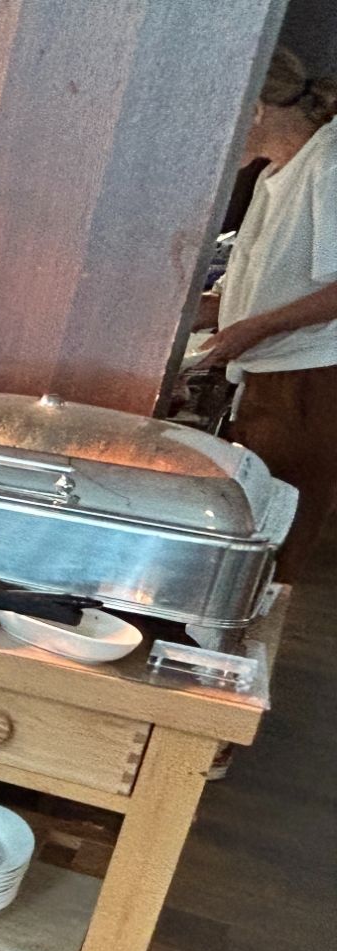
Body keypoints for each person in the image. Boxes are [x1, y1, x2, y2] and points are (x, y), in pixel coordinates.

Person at [201, 47, 337, 580]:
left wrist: (252, 328)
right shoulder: (275, 173)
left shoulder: (328, 163)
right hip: (271, 375)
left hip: (310, 380)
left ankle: (254, 625)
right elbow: (264, 281)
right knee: (254, 529)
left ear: (255, 109)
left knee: (277, 538)